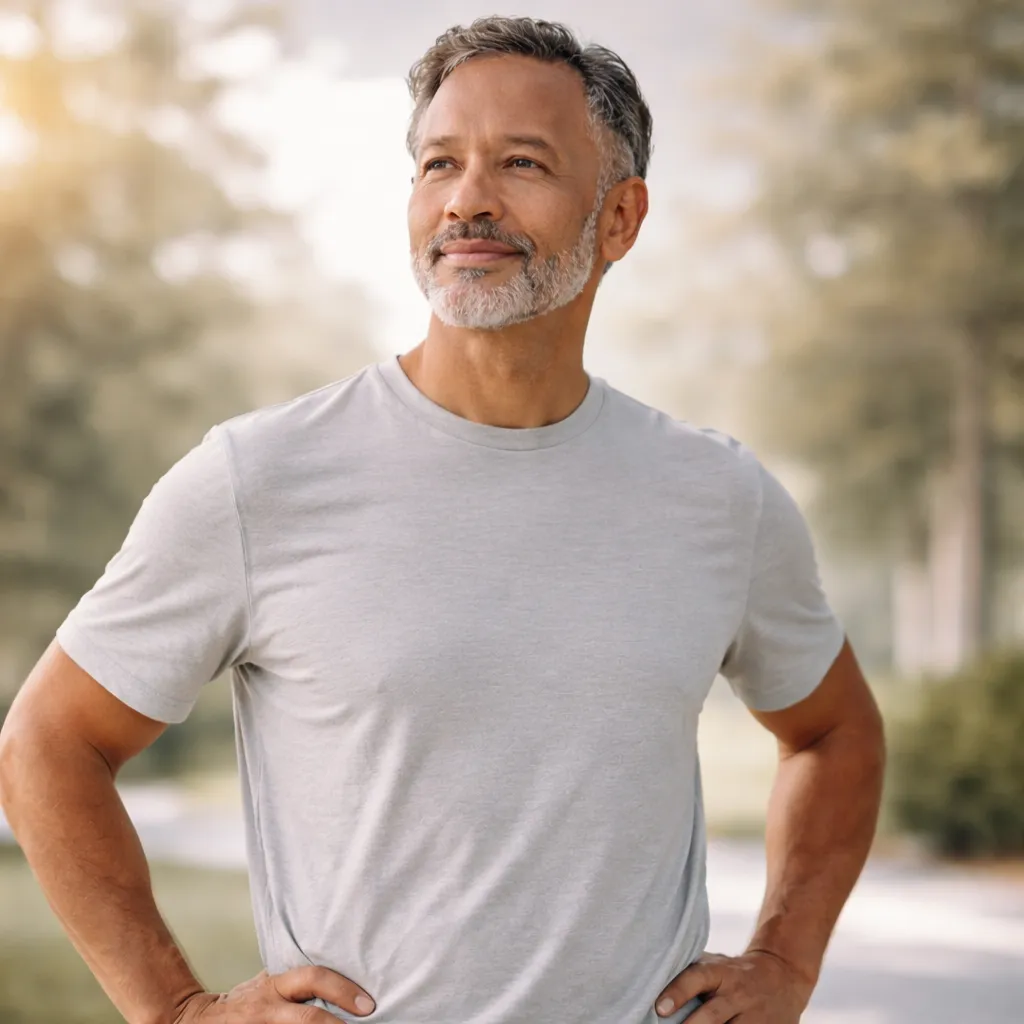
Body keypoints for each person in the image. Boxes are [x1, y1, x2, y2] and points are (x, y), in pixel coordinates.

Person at [0, 16, 886, 1024]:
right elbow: (47, 743)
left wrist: (785, 960)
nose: (468, 199)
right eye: (439, 163)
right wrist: (177, 1009)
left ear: (620, 218)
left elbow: (834, 731)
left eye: (522, 162)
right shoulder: (260, 480)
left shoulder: (718, 496)